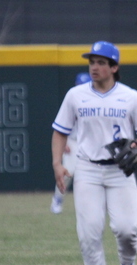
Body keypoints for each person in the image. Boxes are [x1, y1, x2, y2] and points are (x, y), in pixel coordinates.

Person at [51, 41, 137, 265]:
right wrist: (57, 164)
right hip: (87, 168)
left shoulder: (130, 97)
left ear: (114, 67)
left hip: (120, 170)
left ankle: (128, 264)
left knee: (127, 230)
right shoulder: (75, 95)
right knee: (89, 232)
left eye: (100, 62)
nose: (94, 67)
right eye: (92, 62)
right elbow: (60, 131)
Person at [50, 72, 91, 214]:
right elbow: (62, 126)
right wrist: (65, 142)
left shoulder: (95, 101)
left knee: (92, 175)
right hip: (73, 141)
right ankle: (58, 198)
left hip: (90, 143)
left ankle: (92, 205)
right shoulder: (72, 99)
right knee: (68, 172)